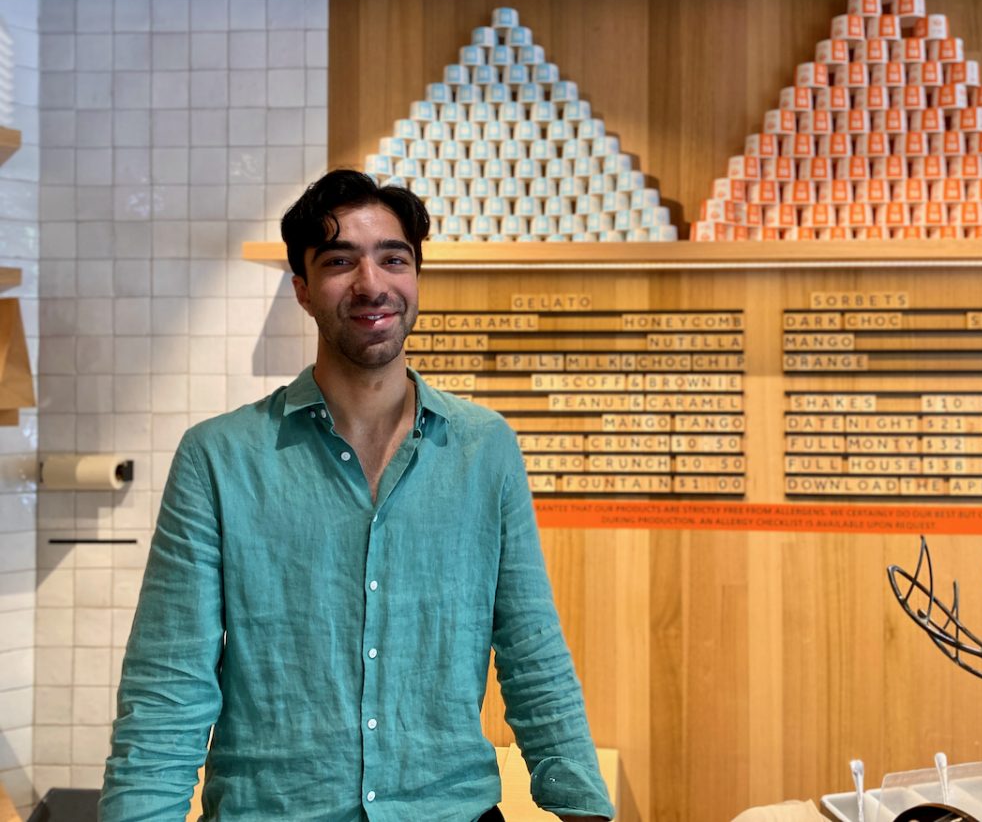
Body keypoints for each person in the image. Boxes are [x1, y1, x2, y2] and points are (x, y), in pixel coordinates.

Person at [100, 169, 614, 822]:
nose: (372, 284)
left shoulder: (485, 449)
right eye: (340, 262)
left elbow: (532, 654)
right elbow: (168, 688)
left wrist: (584, 808)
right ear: (304, 291)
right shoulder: (219, 459)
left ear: (415, 279)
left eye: (392, 259)